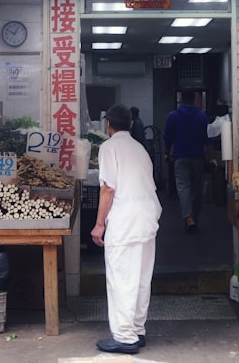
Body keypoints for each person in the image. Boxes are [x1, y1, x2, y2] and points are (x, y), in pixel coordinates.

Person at [91, 104, 162, 355]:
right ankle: (137, 330)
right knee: (141, 279)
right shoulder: (139, 148)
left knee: (122, 278)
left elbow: (108, 188)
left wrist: (99, 224)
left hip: (125, 222)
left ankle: (124, 337)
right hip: (146, 219)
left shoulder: (109, 147)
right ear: (131, 124)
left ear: (107, 124)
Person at [164, 90, 210, 232]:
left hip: (180, 157)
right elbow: (208, 137)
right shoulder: (202, 116)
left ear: (181, 100)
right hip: (198, 157)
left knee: (184, 187)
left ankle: (188, 218)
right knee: (197, 188)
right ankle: (195, 216)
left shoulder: (173, 116)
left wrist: (167, 152)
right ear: (194, 100)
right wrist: (210, 156)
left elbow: (167, 136)